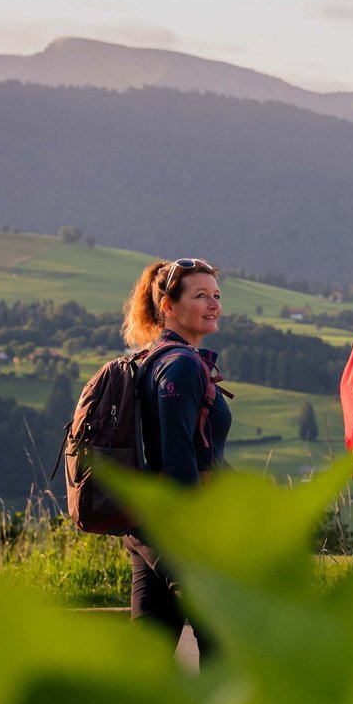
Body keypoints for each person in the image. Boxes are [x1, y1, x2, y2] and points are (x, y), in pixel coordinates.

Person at [120, 257, 231, 661]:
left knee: (148, 656)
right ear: (168, 306)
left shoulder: (156, 358)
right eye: (200, 296)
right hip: (177, 527)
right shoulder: (181, 366)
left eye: (216, 295)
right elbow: (179, 455)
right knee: (226, 645)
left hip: (146, 522)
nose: (213, 304)